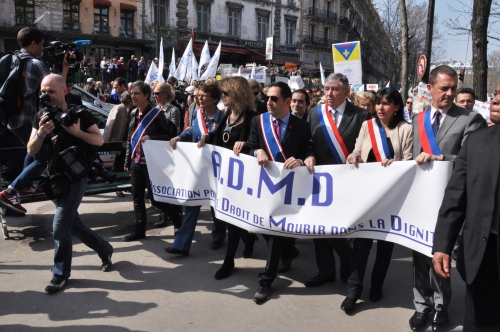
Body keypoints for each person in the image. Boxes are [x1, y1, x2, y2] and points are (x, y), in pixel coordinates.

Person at [409, 65, 486, 332]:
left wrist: (442, 159)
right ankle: (422, 305)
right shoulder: (418, 119)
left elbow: (473, 161)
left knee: (439, 256)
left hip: (448, 203)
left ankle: (441, 306)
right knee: (418, 255)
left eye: (454, 88)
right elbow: (411, 157)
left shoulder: (469, 119)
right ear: (429, 89)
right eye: (444, 88)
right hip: (419, 200)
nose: (450, 93)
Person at [26, 74, 113, 293]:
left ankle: (60, 274)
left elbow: (99, 140)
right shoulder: (40, 116)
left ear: (64, 91)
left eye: (51, 91)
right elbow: (31, 149)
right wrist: (41, 134)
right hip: (53, 178)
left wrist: (77, 132)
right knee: (72, 224)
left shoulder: (79, 114)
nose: (46, 95)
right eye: (43, 91)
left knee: (59, 228)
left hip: (76, 177)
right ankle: (105, 249)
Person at [432, 90, 500, 331]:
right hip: (481, 255)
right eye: (497, 93)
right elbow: (455, 196)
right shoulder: (476, 141)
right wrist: (442, 245)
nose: (496, 100)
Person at [342, 88, 413, 313]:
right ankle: (354, 290)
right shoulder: (367, 126)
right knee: (360, 247)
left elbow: (409, 163)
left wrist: (396, 165)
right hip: (366, 197)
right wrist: (353, 156)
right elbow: (357, 151)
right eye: (379, 103)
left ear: (397, 107)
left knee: (384, 247)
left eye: (386, 104)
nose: (381, 108)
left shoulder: (406, 129)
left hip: (391, 198)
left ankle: (377, 285)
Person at [246, 81, 315, 304]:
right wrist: (257, 150)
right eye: (267, 98)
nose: (269, 102)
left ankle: (266, 281)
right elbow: (250, 144)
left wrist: (306, 159)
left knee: (275, 232)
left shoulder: (302, 126)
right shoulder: (258, 121)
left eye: (274, 99)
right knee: (265, 229)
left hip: (289, 187)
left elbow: (308, 149)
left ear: (287, 101)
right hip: (265, 185)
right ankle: (288, 251)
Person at [305, 73, 370, 289]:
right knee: (319, 229)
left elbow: (367, 145)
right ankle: (325, 271)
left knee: (339, 228)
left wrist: (358, 154)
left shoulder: (361, 115)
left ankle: (348, 263)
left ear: (346, 91)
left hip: (348, 181)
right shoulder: (315, 113)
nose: (329, 94)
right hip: (320, 180)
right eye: (326, 89)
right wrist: (309, 154)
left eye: (334, 89)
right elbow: (308, 141)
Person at [0, 27, 71, 215]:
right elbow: (57, 87)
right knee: (43, 157)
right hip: (27, 119)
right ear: (33, 43)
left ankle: (25, 186)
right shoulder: (35, 63)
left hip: (12, 118)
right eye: (41, 44)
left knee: (31, 153)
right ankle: (10, 192)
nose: (42, 48)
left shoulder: (13, 59)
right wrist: (65, 66)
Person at [164, 82, 225, 256]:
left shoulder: (223, 117)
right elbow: (192, 131)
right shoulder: (197, 114)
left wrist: (211, 137)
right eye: (198, 95)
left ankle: (219, 236)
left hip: (216, 169)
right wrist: (179, 137)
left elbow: (225, 140)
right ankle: (181, 245)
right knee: (192, 204)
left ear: (214, 98)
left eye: (203, 95)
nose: (199, 98)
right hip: (198, 168)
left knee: (216, 206)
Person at [211, 77, 259, 279]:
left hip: (242, 178)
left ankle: (229, 261)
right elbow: (217, 139)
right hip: (223, 175)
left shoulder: (252, 117)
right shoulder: (227, 114)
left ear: (237, 94)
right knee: (221, 215)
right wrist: (207, 138)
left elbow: (257, 141)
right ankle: (249, 239)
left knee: (233, 219)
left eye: (226, 93)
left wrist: (246, 144)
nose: (222, 96)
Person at [123, 81, 178, 242]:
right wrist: (128, 159)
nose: (133, 96)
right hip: (136, 161)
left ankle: (177, 219)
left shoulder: (157, 114)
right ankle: (139, 229)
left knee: (155, 198)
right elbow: (129, 139)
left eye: (137, 93)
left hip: (152, 163)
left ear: (146, 95)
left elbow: (169, 135)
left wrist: (152, 137)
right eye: (132, 93)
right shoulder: (133, 113)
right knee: (137, 197)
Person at [151, 82, 184, 229]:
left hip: (169, 151)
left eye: (157, 93)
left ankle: (175, 214)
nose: (155, 96)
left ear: (165, 95)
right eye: (154, 93)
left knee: (170, 183)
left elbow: (174, 130)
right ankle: (164, 213)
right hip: (156, 152)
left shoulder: (173, 110)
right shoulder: (153, 110)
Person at [103, 91, 133, 197]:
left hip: (127, 142)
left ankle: (126, 185)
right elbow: (109, 125)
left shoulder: (131, 109)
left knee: (126, 164)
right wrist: (106, 142)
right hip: (118, 141)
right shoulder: (119, 108)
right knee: (118, 164)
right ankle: (118, 187)